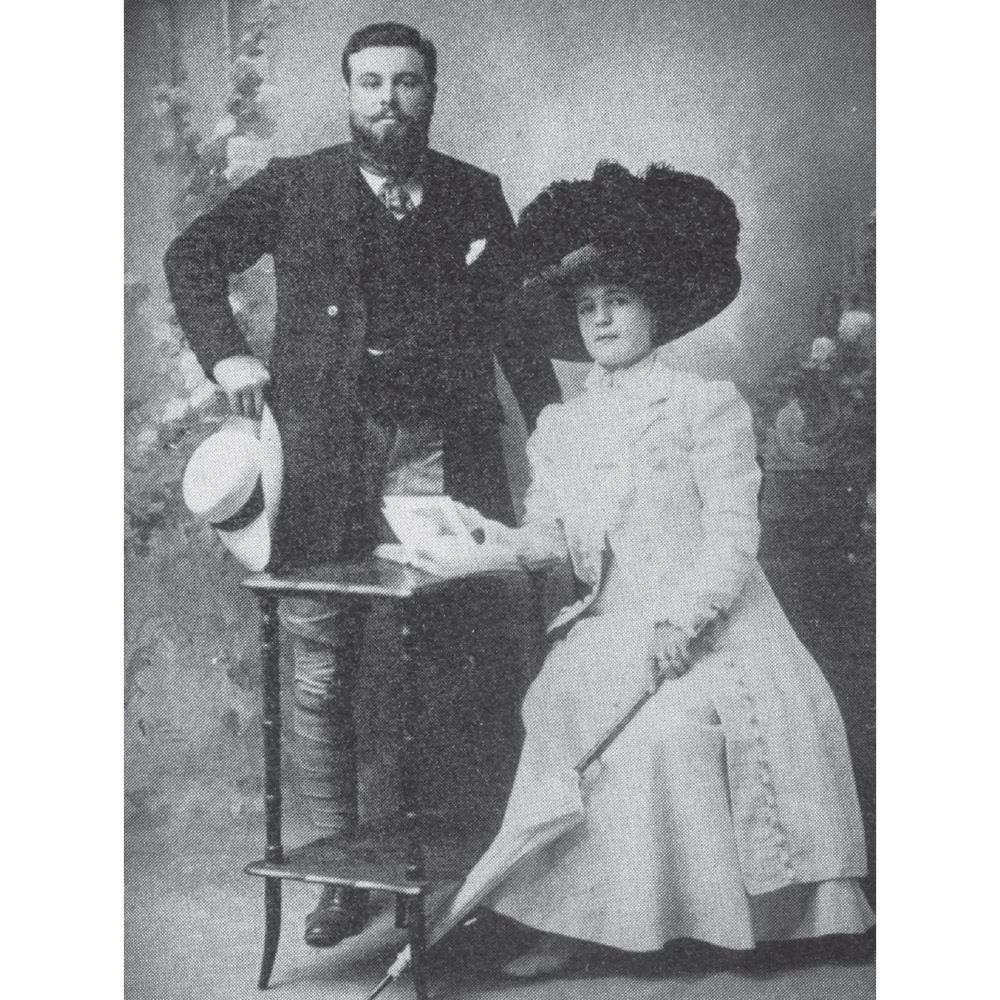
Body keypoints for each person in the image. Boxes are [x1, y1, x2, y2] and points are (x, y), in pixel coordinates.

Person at [418, 162, 874, 977]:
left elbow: (733, 534)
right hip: (612, 626)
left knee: (665, 733)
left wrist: (682, 619)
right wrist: (480, 538)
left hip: (715, 628)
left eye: (618, 300)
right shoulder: (563, 427)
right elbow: (553, 538)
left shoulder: (706, 405)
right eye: (586, 307)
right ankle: (570, 918)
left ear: (654, 309)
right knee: (558, 704)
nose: (601, 319)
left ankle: (700, 920)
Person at [164, 22, 559, 948]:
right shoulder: (295, 186)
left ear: (432, 93)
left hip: (441, 451)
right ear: (348, 92)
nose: (389, 100)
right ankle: (340, 874)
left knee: (460, 658)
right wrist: (226, 357)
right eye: (371, 82)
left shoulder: (474, 193)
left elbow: (513, 326)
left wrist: (556, 428)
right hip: (324, 459)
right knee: (320, 664)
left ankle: (467, 877)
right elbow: (192, 257)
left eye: (407, 83)